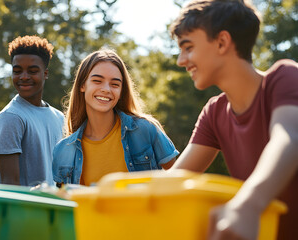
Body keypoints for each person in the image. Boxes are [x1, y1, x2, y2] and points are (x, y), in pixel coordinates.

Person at [169, 0, 298, 239]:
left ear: (222, 42)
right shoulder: (214, 113)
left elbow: (288, 138)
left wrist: (249, 205)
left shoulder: (284, 77)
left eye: (187, 47)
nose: (181, 60)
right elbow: (174, 182)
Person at [52, 49, 179, 186]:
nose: (106, 89)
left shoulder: (145, 130)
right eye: (97, 81)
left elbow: (179, 179)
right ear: (82, 85)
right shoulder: (63, 150)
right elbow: (64, 202)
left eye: (115, 84)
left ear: (121, 91)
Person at [0, 35, 64, 187]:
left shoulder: (60, 118)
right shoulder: (10, 118)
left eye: (32, 71)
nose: (23, 77)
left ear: (45, 74)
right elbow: (10, 186)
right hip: (25, 211)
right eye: (17, 71)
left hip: (56, 209)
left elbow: (62, 178)